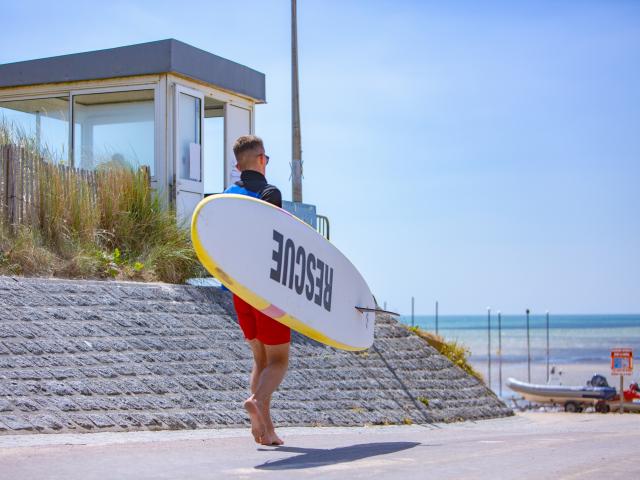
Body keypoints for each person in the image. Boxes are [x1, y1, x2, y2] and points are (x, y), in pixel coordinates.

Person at [224, 135, 290, 446]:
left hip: (240, 290)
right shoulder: (269, 192)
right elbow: (273, 241)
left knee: (260, 361)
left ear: (238, 166)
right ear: (262, 160)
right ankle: (256, 400)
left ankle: (265, 432)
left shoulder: (227, 197)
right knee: (279, 361)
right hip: (267, 290)